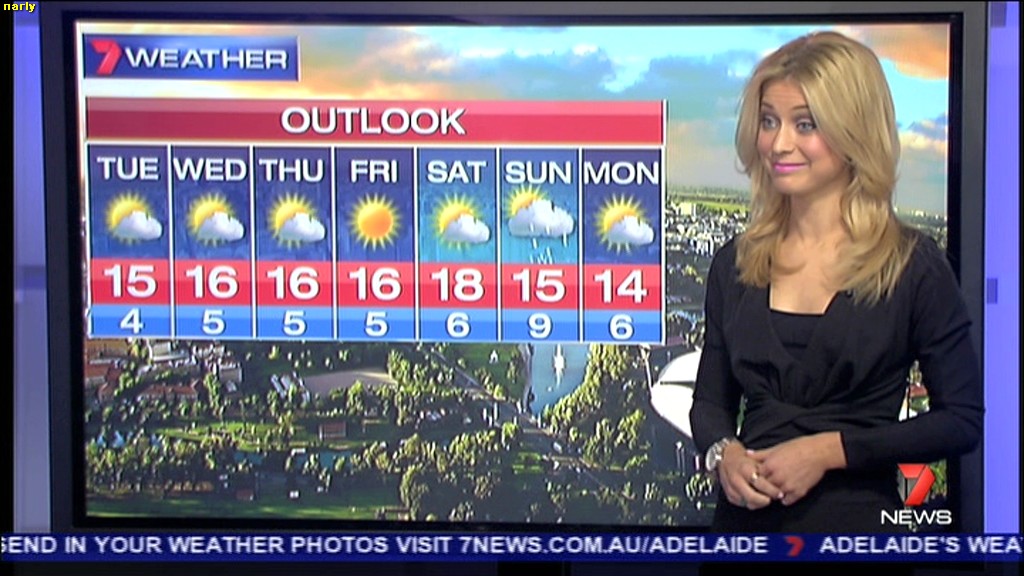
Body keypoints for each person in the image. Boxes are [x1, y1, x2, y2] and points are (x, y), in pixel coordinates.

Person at [689, 29, 984, 539]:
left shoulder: (912, 266)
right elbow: (710, 403)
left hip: (858, 537)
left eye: (805, 124)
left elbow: (961, 420)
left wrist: (830, 451)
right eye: (769, 121)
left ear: (854, 133)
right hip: (741, 537)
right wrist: (724, 453)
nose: (779, 143)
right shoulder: (735, 262)